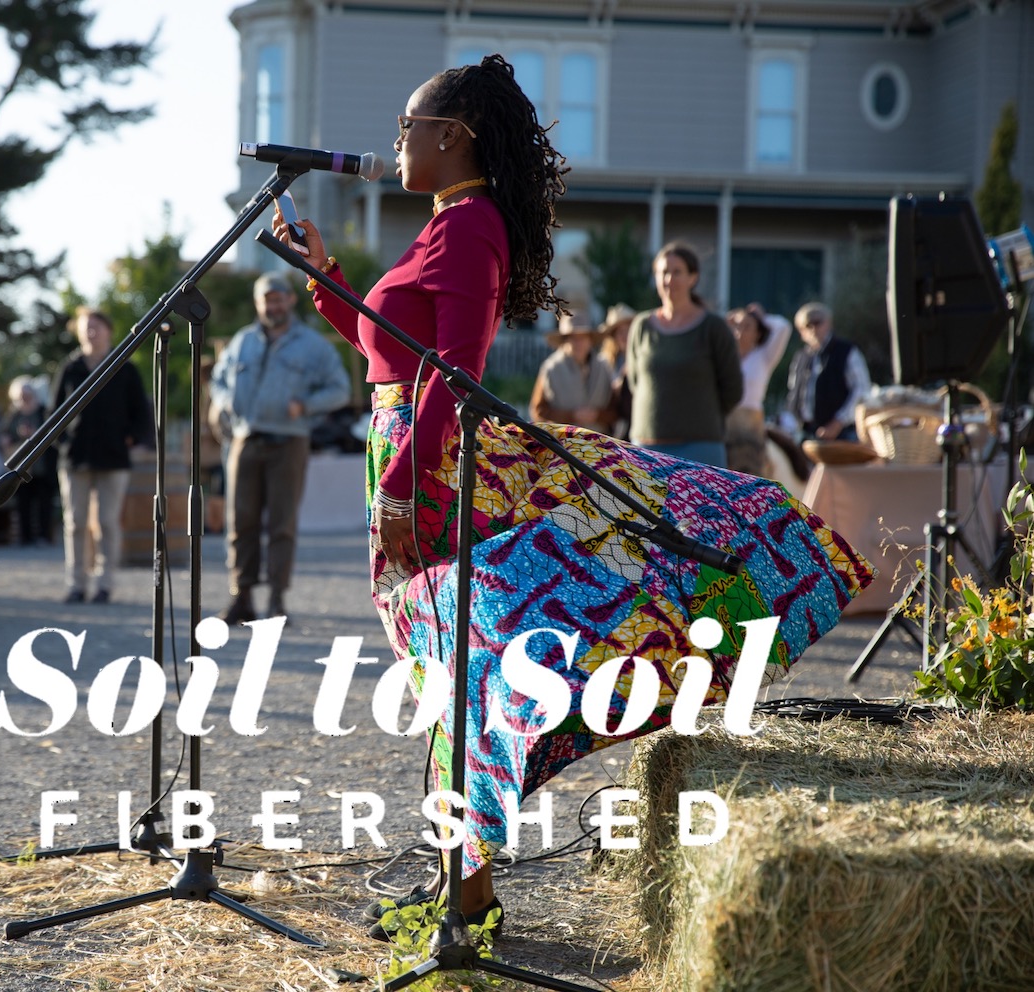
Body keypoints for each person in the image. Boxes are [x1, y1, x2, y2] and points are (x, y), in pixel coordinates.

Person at [275, 54, 872, 945]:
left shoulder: (470, 226)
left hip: (439, 476)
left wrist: (400, 488)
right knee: (452, 681)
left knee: (466, 676)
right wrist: (324, 277)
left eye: (409, 126)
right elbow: (390, 350)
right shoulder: (446, 222)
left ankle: (466, 896)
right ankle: (463, 892)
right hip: (411, 460)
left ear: (454, 136)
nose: (396, 142)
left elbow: (457, 374)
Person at [210, 271, 351, 624]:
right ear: (257, 304)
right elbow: (218, 381)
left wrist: (306, 405)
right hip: (245, 439)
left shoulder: (314, 346)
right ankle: (241, 596)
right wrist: (226, 402)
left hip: (289, 442)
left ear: (290, 300)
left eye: (278, 299)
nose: (272, 306)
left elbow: (340, 389)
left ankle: (276, 599)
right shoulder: (242, 341)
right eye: (266, 300)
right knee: (239, 522)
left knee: (282, 524)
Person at [51, 307, 151, 604]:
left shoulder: (124, 367)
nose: (91, 333)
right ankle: (76, 583)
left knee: (107, 521)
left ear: (108, 330)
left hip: (113, 456)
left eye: (96, 327)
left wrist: (133, 439)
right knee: (76, 522)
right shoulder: (71, 368)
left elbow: (141, 412)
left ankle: (105, 583)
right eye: (86, 328)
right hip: (76, 457)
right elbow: (53, 413)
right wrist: (64, 442)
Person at [624, 242, 743, 467]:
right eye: (663, 272)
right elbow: (635, 382)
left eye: (677, 272)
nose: (669, 280)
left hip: (701, 449)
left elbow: (733, 390)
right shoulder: (641, 326)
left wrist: (697, 417)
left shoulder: (713, 328)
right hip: (646, 448)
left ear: (693, 277)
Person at [784, 302, 872, 442]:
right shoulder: (801, 357)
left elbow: (861, 389)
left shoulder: (846, 352)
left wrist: (838, 423)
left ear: (829, 323)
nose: (813, 329)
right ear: (801, 331)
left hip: (843, 435)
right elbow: (793, 392)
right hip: (806, 434)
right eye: (808, 325)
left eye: (817, 322)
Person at [725, 303, 792, 475]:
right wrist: (727, 320)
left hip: (751, 426)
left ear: (758, 333)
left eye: (747, 327)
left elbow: (783, 327)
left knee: (751, 473)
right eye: (738, 326)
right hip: (724, 424)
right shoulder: (725, 356)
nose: (740, 332)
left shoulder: (763, 356)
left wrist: (762, 318)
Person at [527, 308, 619, 432]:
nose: (578, 343)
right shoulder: (551, 368)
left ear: (590, 340)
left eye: (583, 337)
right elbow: (538, 411)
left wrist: (597, 415)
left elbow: (615, 411)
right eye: (573, 338)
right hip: (562, 440)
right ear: (564, 341)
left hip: (598, 440)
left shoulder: (604, 367)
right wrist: (571, 415)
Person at [0, 376, 56, 546]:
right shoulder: (13, 415)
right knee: (23, 503)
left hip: (43, 466)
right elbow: (2, 434)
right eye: (21, 395)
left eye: (27, 395)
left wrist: (34, 434)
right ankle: (26, 537)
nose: (25, 398)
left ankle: (44, 536)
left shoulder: (43, 411)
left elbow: (52, 433)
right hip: (22, 468)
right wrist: (7, 439)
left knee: (44, 503)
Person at [599, 302, 637, 439]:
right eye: (620, 332)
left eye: (628, 330)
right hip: (614, 430)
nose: (624, 336)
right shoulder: (605, 363)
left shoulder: (644, 359)